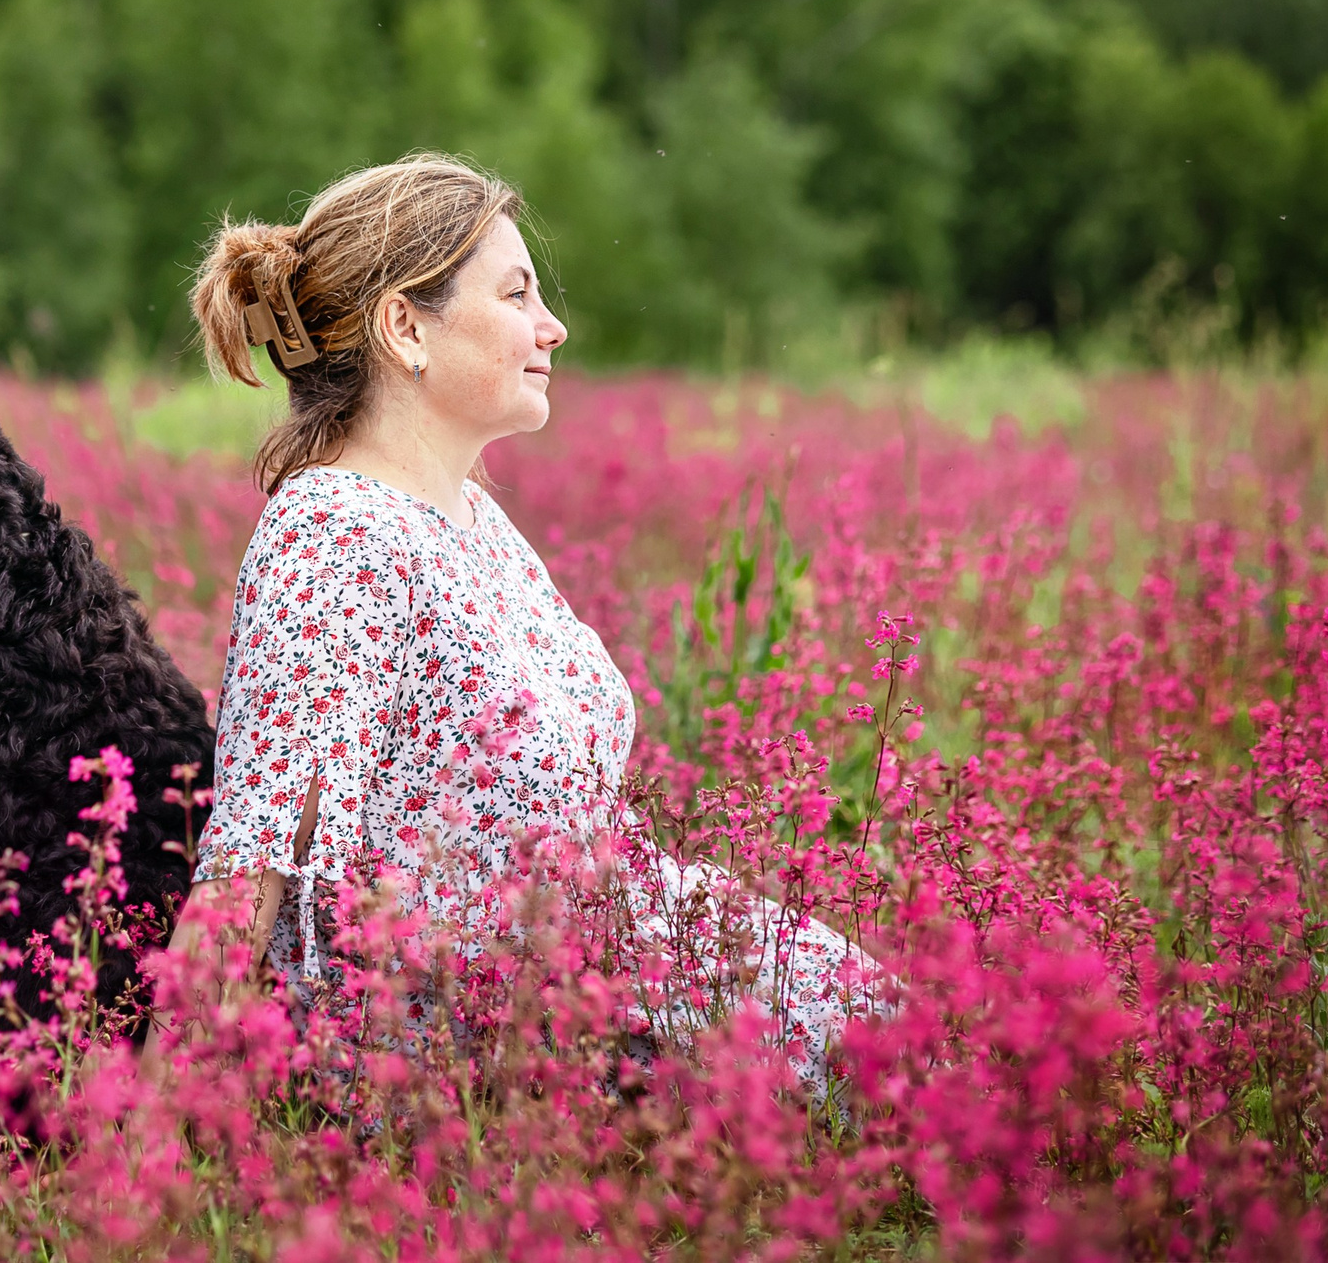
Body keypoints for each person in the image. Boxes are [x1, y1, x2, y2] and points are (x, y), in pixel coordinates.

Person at [167, 152, 875, 1092]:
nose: (554, 327)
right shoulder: (333, 536)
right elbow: (248, 871)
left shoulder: (469, 519)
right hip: (513, 1071)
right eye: (516, 295)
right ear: (403, 328)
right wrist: (136, 1173)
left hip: (638, 988)